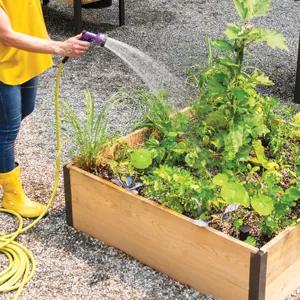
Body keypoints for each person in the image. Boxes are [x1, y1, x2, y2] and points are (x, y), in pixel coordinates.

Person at [0, 0, 90, 218]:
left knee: (26, 109)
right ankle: (12, 196)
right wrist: (59, 47)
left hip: (26, 57)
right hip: (3, 66)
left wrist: (50, 41)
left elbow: (29, 16)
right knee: (6, 132)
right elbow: (7, 35)